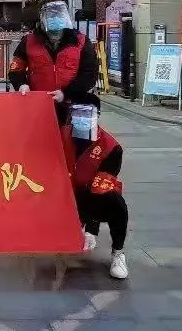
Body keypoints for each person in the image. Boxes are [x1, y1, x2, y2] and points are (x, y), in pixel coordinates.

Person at [64, 94, 129, 279]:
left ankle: (118, 253)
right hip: (63, 195)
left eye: (87, 113)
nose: (81, 118)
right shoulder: (60, 137)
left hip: (90, 197)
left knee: (116, 203)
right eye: (77, 113)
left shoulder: (111, 148)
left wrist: (90, 228)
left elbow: (99, 188)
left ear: (97, 115)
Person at [8, 0, 98, 125]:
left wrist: (66, 94)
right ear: (41, 17)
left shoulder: (81, 41)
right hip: (39, 105)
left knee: (70, 137)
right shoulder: (28, 41)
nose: (55, 17)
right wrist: (21, 84)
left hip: (73, 107)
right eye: (50, 14)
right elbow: (16, 69)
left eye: (59, 13)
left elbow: (90, 74)